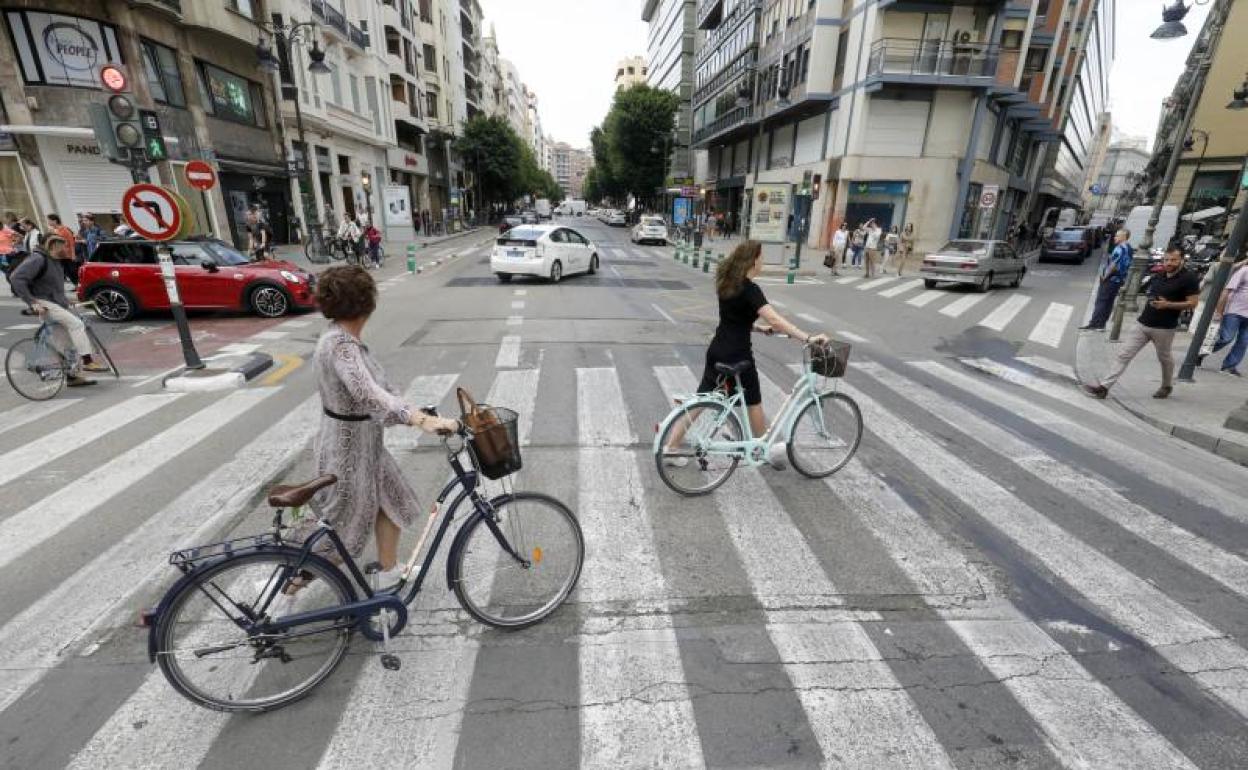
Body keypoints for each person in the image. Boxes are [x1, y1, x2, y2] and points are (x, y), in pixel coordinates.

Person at [286, 265, 460, 591]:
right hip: (347, 454)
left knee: (394, 499)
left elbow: (381, 391)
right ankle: (287, 588)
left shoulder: (341, 338)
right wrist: (419, 420)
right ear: (367, 304)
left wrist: (413, 412)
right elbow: (367, 394)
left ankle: (388, 572)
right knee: (344, 531)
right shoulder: (341, 346)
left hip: (365, 446)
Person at [661, 240, 829, 467]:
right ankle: (762, 448)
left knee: (701, 399)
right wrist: (807, 338)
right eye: (761, 257)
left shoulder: (727, 283)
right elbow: (775, 318)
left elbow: (734, 319)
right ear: (753, 260)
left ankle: (670, 448)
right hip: (738, 356)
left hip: (717, 349)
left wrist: (758, 328)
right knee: (753, 401)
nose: (763, 261)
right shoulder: (750, 289)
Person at [1084, 246, 1200, 400]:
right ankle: (1104, 387)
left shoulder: (1189, 278)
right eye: (1166, 259)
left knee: (1164, 358)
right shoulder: (1160, 274)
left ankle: (1166, 386)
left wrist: (1168, 305)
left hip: (1164, 328)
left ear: (1181, 260)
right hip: (1143, 323)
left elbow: (1193, 303)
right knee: (1124, 355)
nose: (1169, 263)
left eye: (1173, 260)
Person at [8, 234, 108, 386]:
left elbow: (51, 287)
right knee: (77, 324)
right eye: (64, 245)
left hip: (53, 303)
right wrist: (32, 302)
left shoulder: (54, 261)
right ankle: (87, 360)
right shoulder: (38, 259)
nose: (67, 248)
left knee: (66, 344)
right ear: (53, 245)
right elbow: (16, 278)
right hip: (43, 303)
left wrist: (66, 300)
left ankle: (72, 377)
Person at [1081, 228, 1133, 330]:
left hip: (1111, 278)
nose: (1115, 237)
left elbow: (1114, 265)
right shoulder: (1129, 248)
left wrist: (1105, 277)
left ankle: (1095, 324)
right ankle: (1101, 325)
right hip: (1119, 279)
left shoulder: (1120, 248)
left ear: (1124, 237)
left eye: (1117, 235)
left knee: (1101, 301)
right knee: (1109, 302)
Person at [1208, 260, 1248, 377]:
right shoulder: (1244, 270)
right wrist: (1219, 311)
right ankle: (1200, 352)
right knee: (1226, 338)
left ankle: (1229, 366)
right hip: (1234, 311)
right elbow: (1226, 291)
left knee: (1243, 342)